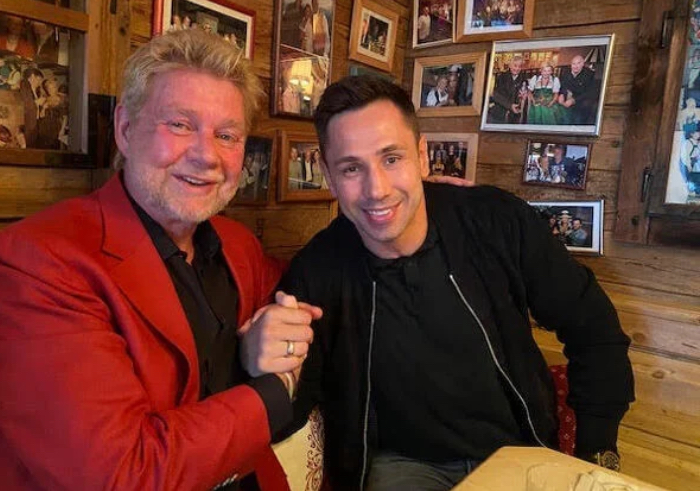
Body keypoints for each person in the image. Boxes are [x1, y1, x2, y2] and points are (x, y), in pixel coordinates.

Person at [0, 29, 319, 491]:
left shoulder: (235, 244)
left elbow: (311, 287)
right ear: (125, 129)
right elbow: (123, 475)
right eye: (180, 125)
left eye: (227, 135)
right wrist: (274, 390)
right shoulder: (33, 264)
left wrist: (419, 208)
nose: (206, 155)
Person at [242, 76, 634, 490]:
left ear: (422, 157)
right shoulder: (317, 272)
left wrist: (597, 453)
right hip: (403, 465)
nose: (377, 190)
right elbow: (292, 409)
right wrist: (261, 369)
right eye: (351, 168)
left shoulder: (497, 221)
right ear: (327, 174)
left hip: (516, 450)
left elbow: (595, 329)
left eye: (392, 158)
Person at [558, 54, 599, 125]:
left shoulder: (589, 74)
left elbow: (590, 93)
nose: (575, 66)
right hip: (567, 97)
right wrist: (561, 94)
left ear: (583, 64)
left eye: (578, 63)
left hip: (581, 99)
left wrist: (574, 100)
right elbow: (563, 85)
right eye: (573, 64)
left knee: (578, 118)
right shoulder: (566, 72)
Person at [488, 55, 528, 124]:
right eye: (515, 65)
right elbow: (496, 96)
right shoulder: (501, 77)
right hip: (500, 114)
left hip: (516, 115)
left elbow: (525, 94)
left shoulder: (524, 78)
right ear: (510, 65)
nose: (517, 68)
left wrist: (525, 96)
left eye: (520, 66)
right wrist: (510, 106)